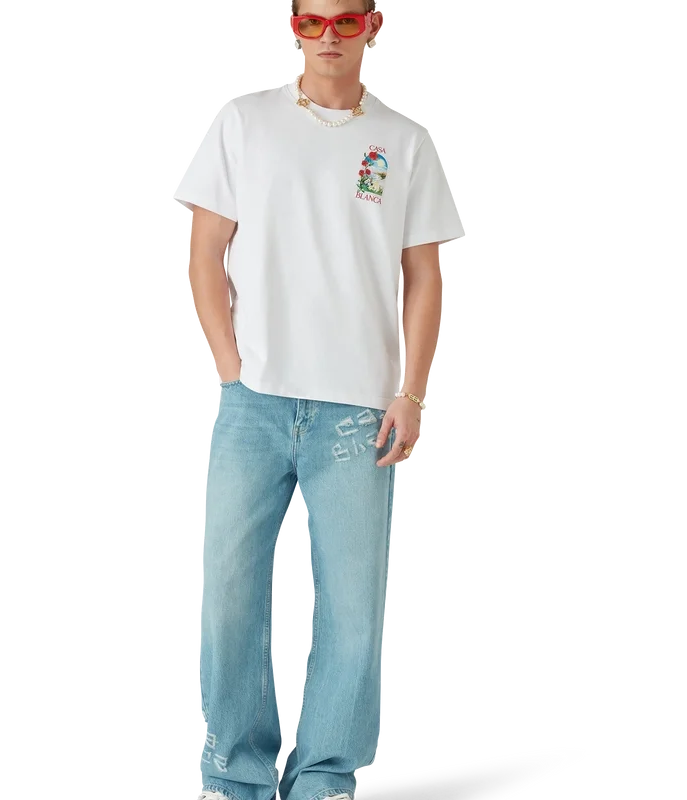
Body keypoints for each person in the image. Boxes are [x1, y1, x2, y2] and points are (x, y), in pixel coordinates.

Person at [172, 2, 465, 798]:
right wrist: (233, 367)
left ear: (375, 27)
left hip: (359, 411)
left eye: (346, 22)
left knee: (352, 604)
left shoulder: (405, 139)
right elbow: (205, 249)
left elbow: (423, 278)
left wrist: (411, 392)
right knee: (230, 592)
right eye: (312, 22)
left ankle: (326, 774)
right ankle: (236, 769)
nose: (328, 37)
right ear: (292, 27)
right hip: (255, 403)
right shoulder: (243, 120)